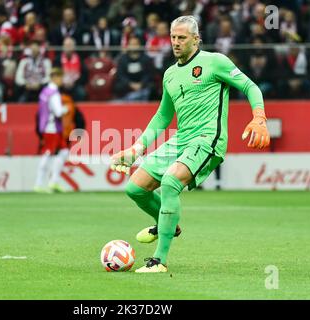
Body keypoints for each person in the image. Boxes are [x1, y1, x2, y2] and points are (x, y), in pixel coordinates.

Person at [110, 16, 270, 273]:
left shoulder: (215, 62)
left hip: (208, 139)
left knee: (171, 183)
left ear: (196, 39)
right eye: (173, 37)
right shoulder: (170, 74)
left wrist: (259, 117)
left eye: (182, 37)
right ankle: (167, 224)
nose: (176, 42)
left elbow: (250, 87)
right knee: (135, 189)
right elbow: (163, 116)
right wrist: (136, 149)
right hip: (181, 139)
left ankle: (158, 261)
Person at [34, 68, 70, 193]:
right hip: (52, 128)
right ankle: (39, 184)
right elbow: (58, 112)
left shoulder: (44, 91)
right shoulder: (54, 93)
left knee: (64, 151)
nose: (62, 81)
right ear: (55, 78)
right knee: (48, 154)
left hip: (47, 126)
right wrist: (66, 109)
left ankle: (54, 182)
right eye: (61, 78)